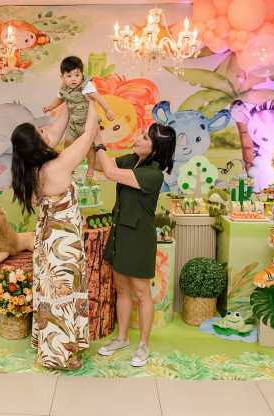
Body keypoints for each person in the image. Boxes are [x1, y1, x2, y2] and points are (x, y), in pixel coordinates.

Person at [11, 95, 100, 370]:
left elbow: (57, 129)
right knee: (61, 296)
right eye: (40, 131)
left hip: (48, 241)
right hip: (63, 243)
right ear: (37, 142)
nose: (45, 130)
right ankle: (58, 356)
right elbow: (88, 134)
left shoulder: (32, 166)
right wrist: (93, 100)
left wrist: (71, 101)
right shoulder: (57, 165)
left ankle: (61, 349)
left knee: (56, 295)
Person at [92, 122, 176, 367]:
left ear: (156, 149)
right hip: (120, 232)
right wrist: (90, 137)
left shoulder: (153, 174)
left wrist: (98, 142)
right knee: (121, 289)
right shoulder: (132, 160)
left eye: (145, 137)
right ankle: (122, 339)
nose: (138, 138)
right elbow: (99, 165)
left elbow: (110, 172)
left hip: (139, 238)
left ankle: (143, 344)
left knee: (141, 292)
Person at [42, 55, 115, 178]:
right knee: (67, 141)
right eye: (69, 76)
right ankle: (68, 164)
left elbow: (98, 97)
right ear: (62, 77)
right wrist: (51, 107)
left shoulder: (86, 85)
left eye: (77, 75)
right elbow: (59, 99)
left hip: (87, 123)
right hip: (74, 123)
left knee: (90, 148)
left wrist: (107, 110)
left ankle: (91, 167)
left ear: (82, 74)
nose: (73, 79)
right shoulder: (64, 89)